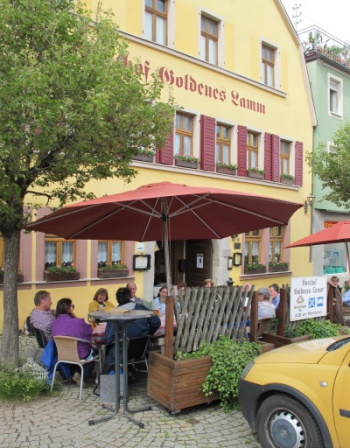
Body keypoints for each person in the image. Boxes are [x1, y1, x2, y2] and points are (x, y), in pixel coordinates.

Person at [105, 287, 160, 367]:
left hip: (121, 352)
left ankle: (112, 377)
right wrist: (148, 335)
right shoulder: (141, 308)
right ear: (130, 297)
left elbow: (108, 339)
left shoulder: (114, 315)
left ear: (117, 299)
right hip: (141, 349)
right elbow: (156, 322)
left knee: (108, 356)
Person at [52, 298, 96, 381]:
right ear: (68, 308)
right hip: (80, 354)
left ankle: (74, 374)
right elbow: (90, 332)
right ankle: (82, 376)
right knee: (96, 351)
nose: (73, 308)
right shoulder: (78, 322)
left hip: (63, 354)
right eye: (73, 306)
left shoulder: (54, 322)